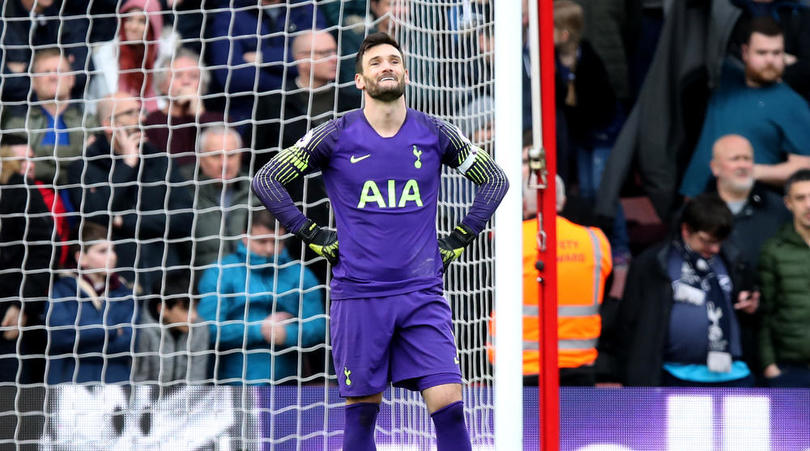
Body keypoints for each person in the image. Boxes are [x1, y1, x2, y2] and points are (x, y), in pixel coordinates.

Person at [252, 32, 509, 450]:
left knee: (450, 405)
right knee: (362, 414)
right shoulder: (333, 136)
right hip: (359, 294)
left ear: (405, 72)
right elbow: (267, 180)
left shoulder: (435, 132)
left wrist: (460, 239)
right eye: (375, 62)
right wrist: (312, 235)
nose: (386, 66)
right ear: (358, 80)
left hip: (421, 292)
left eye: (393, 60)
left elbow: (495, 180)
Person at [616, 194, 759, 387]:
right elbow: (628, 323)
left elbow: (750, 312)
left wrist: (752, 306)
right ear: (686, 230)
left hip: (734, 374)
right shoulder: (653, 264)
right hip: (675, 375)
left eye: (720, 241)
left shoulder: (733, 260)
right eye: (706, 241)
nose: (715, 249)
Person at [67, 93, 193, 292]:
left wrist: (124, 221)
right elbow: (93, 215)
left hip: (165, 277)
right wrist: (127, 164)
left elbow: (185, 218)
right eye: (130, 113)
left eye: (140, 111)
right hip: (115, 281)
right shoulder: (83, 168)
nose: (142, 118)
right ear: (109, 124)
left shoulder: (160, 161)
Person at [680, 17, 810, 197]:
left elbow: (803, 166)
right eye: (762, 53)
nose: (770, 60)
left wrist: (751, 171)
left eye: (777, 53)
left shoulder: (793, 104)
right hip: (696, 198)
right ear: (745, 52)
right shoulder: (723, 78)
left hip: (746, 205)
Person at [197, 210, 325, 385]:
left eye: (277, 242)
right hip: (230, 386)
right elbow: (205, 330)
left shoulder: (301, 274)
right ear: (245, 237)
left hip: (289, 385)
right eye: (262, 241)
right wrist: (258, 330)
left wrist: (288, 334)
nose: (269, 249)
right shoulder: (220, 272)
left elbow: (319, 328)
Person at [251, 28, 360, 170]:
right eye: (325, 53)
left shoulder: (353, 103)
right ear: (302, 60)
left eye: (335, 51)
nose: (334, 58)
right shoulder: (273, 104)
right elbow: (259, 158)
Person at [46, 222, 137, 384]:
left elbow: (129, 344)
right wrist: (111, 330)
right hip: (69, 384)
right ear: (81, 257)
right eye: (102, 251)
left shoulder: (126, 294)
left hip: (115, 385)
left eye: (113, 250)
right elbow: (60, 337)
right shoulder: (61, 290)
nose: (112, 256)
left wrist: (81, 341)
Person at [205, 0, 325, 121]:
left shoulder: (305, 8)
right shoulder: (230, 13)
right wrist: (291, 81)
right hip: (248, 113)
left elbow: (320, 59)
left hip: (304, 107)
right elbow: (231, 76)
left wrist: (263, 57)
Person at [1, 48, 97, 186]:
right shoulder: (17, 125)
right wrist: (79, 152)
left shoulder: (90, 123)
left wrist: (38, 163)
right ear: (33, 82)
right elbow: (16, 169)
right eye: (46, 72)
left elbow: (93, 169)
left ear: (71, 79)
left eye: (59, 71)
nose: (53, 76)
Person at [0, 143, 54, 384]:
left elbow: (42, 251)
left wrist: (23, 304)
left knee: (13, 399)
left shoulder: (20, 190)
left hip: (9, 312)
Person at [758, 169, 810, 387]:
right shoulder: (774, 250)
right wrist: (769, 365)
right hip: (790, 368)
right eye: (801, 198)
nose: (808, 204)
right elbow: (764, 313)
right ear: (788, 203)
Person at [708, 134, 791, 270]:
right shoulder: (698, 210)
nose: (742, 165)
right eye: (735, 159)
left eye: (747, 159)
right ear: (715, 167)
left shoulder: (778, 208)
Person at [145, 48, 224, 171]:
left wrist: (200, 114)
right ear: (162, 85)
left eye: (193, 76)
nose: (186, 82)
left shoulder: (219, 120)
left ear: (202, 85)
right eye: (178, 76)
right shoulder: (151, 123)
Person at [191, 126, 256, 270]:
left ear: (240, 156)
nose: (224, 164)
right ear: (200, 158)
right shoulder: (186, 194)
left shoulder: (258, 192)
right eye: (215, 156)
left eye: (231, 155)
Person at [0, 0, 90, 102]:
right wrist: (61, 71)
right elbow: (4, 82)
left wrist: (27, 70)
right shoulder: (4, 17)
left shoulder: (67, 11)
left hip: (67, 108)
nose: (52, 77)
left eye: (58, 70)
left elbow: (84, 71)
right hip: (14, 110)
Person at [87, 0, 167, 113]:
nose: (133, 27)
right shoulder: (104, 55)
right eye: (129, 19)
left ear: (154, 26)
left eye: (142, 21)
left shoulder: (165, 56)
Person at [4, 133, 71, 267]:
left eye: (31, 159)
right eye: (21, 161)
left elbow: (52, 246)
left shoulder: (47, 195)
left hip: (38, 277)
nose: (30, 165)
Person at [134, 270, 210, 384]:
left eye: (194, 308)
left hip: (185, 399)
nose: (193, 316)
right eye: (185, 309)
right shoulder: (142, 330)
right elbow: (140, 380)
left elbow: (196, 380)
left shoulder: (200, 328)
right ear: (163, 309)